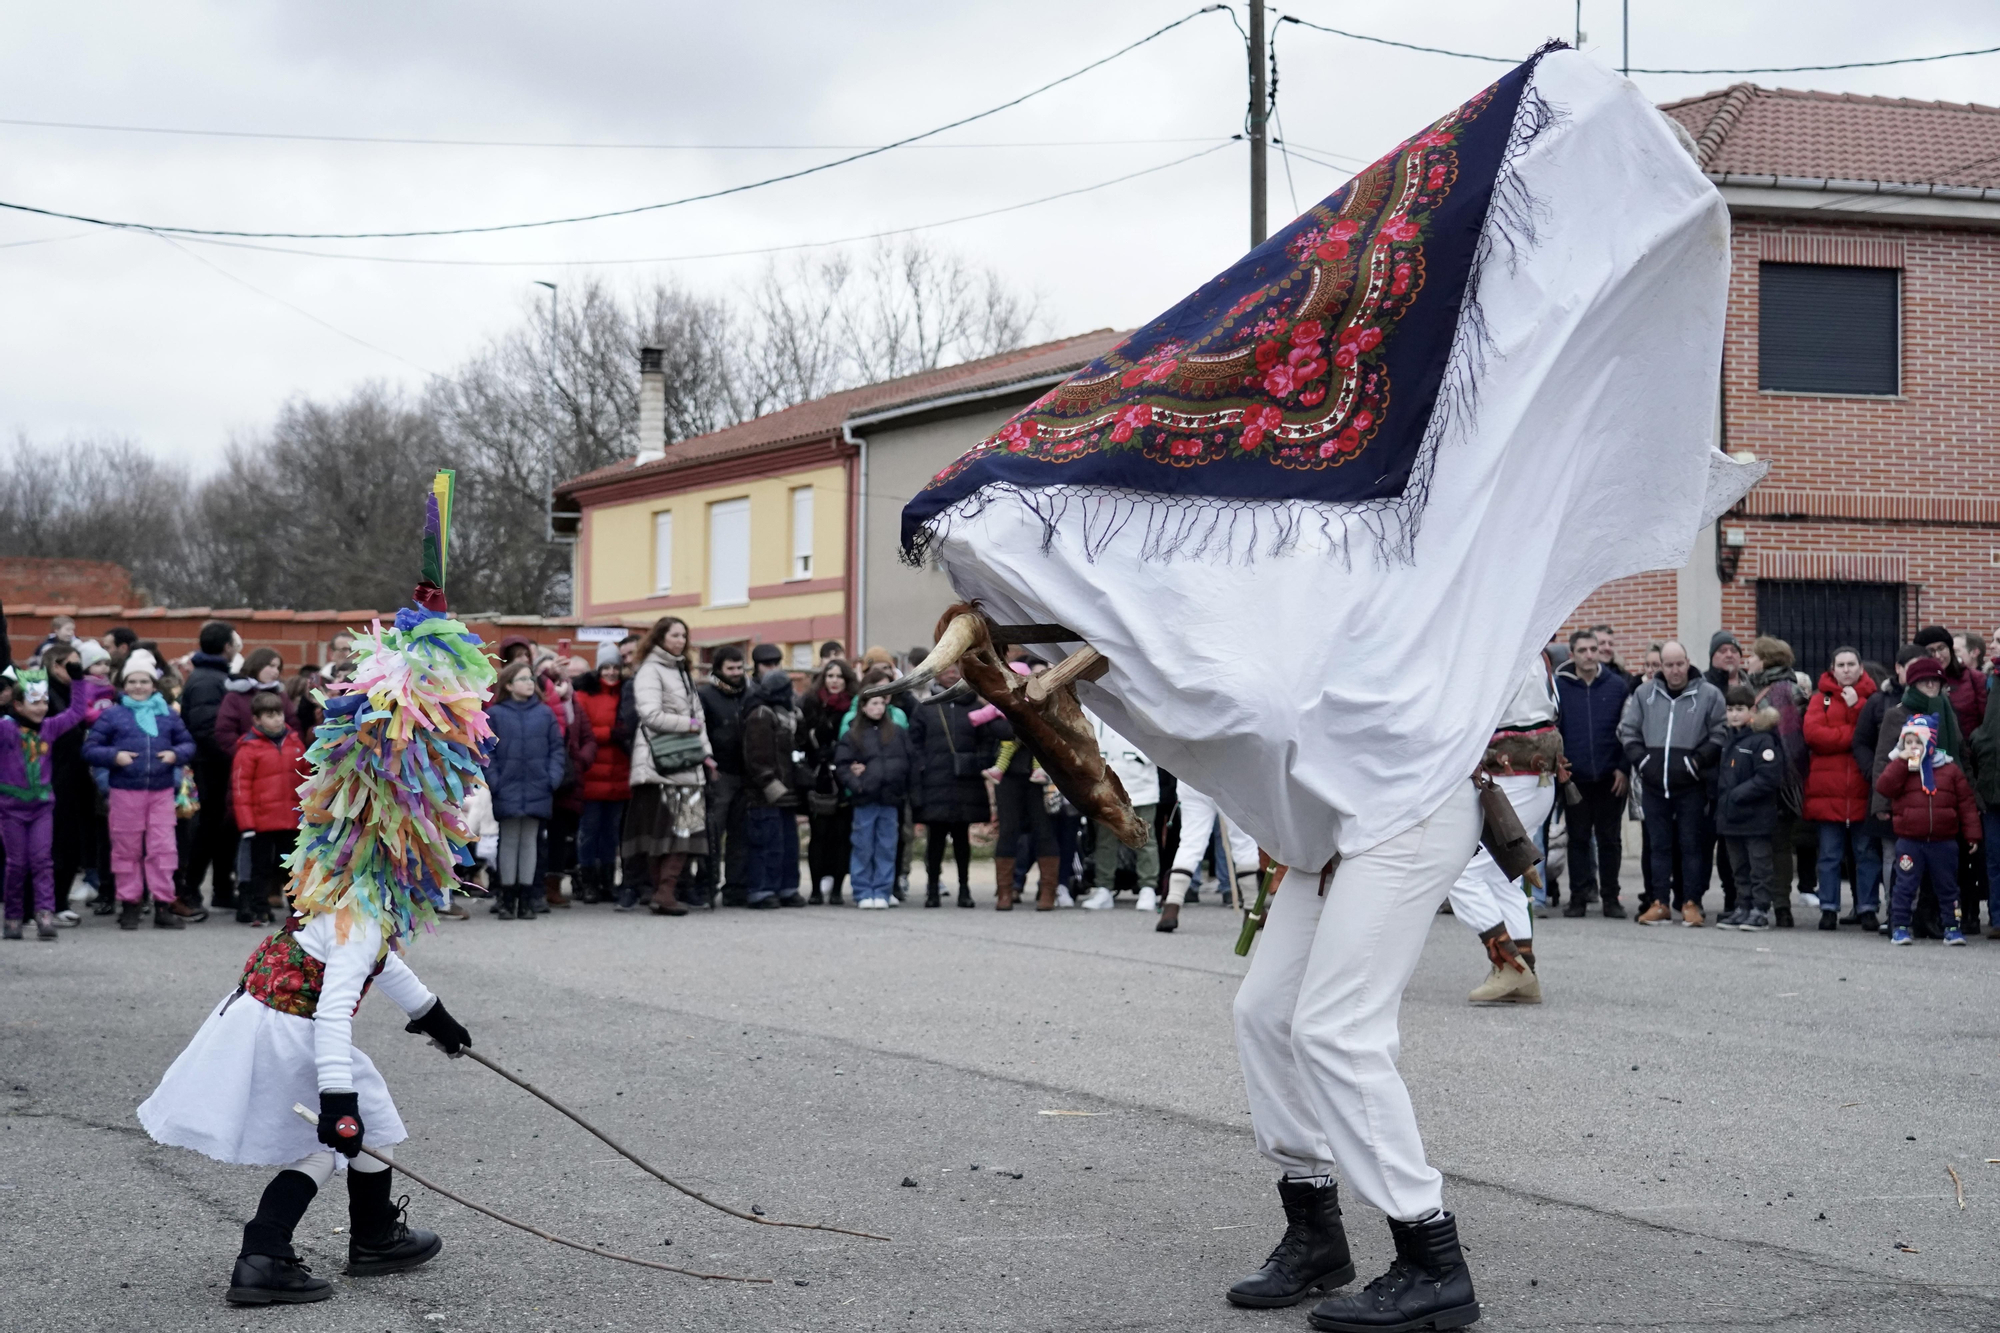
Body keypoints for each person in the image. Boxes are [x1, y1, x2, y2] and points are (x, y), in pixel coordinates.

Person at [137, 583, 482, 1307]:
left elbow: (379, 962)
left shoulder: (352, 888)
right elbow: (334, 1008)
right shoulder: (361, 910)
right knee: (330, 1139)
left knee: (372, 1119)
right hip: (289, 1025)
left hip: (266, 1011)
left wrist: (435, 1017)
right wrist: (336, 1098)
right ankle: (263, 1257)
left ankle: (373, 1234)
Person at [1448, 651, 1563, 1002]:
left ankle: (1509, 967)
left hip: (1517, 779)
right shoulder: (1529, 650)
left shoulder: (1514, 652)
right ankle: (1524, 975)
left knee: (1460, 875)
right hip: (1529, 780)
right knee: (1502, 876)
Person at [83, 649, 197, 930]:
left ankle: (162, 904)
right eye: (132, 681)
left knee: (162, 849)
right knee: (127, 849)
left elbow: (188, 744)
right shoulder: (112, 715)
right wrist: (114, 757)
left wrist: (175, 755)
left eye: (144, 681)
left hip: (160, 792)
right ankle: (130, 904)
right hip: (125, 791)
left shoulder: (168, 715)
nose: (138, 687)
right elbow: (90, 748)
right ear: (123, 685)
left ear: (154, 685)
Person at [1619, 641, 1726, 926]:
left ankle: (1691, 903)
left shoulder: (1709, 694)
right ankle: (1659, 903)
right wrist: (1642, 762)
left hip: (1691, 784)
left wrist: (1696, 762)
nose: (1675, 670)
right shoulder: (1643, 694)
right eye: (1669, 665)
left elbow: (1719, 731)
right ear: (1661, 667)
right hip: (1654, 784)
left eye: (1679, 664)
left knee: (1691, 845)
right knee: (1658, 846)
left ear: (1688, 662)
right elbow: (1628, 731)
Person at [0, 667, 109, 939]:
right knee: (17, 863)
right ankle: (13, 915)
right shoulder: (5, 729)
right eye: (34, 702)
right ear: (17, 704)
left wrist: (78, 682)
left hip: (42, 807)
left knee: (42, 861)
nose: (41, 708)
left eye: (44, 701)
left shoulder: (49, 728)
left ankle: (45, 913)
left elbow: (75, 713)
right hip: (11, 808)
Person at [623, 617, 710, 917]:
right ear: (659, 637)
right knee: (661, 834)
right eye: (675, 635)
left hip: (687, 761)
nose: (681, 640)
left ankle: (665, 891)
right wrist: (688, 724)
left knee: (686, 830)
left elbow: (699, 716)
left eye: (684, 635)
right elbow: (650, 714)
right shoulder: (650, 670)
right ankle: (663, 891)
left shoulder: (682, 670)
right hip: (661, 762)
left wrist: (706, 753)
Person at [1876, 714, 1980, 946]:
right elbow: (1884, 787)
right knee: (1904, 887)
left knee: (1948, 888)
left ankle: (1952, 927)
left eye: (1918, 742)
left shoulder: (1950, 769)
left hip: (1943, 841)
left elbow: (1966, 804)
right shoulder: (1901, 767)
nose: (1913, 747)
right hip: (1910, 840)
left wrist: (1972, 834)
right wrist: (1901, 762)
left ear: (1930, 743)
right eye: (1908, 742)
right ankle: (1900, 927)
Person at [1554, 627, 1631, 918]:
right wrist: (1559, 766)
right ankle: (1578, 898)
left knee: (1610, 841)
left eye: (1593, 649)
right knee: (1578, 839)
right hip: (1574, 779)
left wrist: (1623, 767)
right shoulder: (1559, 687)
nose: (1589, 655)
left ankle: (1611, 898)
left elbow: (1628, 731)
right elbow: (1554, 730)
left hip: (1611, 779)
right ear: (1572, 654)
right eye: (1583, 650)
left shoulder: (1616, 686)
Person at [908, 663, 998, 909]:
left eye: (958, 667)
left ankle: (965, 889)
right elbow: (913, 744)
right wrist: (924, 766)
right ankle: (932, 888)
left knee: (961, 839)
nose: (953, 672)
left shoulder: (977, 707)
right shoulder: (924, 708)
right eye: (947, 668)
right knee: (934, 840)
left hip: (965, 782)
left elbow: (989, 744)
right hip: (934, 783)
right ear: (937, 673)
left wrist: (977, 762)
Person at [1802, 647, 1879, 931]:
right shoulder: (1819, 699)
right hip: (1827, 790)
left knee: (1866, 854)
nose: (1846, 670)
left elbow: (1876, 734)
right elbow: (1814, 735)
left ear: (1861, 667)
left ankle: (1867, 907)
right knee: (1829, 855)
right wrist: (1853, 737)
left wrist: (1857, 706)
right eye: (1841, 665)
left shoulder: (1872, 698)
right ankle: (1829, 908)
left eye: (1851, 664)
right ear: (1832, 669)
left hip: (1861, 788)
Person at [484, 661, 565, 921]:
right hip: (506, 786)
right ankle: (507, 897)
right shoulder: (496, 714)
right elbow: (488, 753)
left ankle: (527, 898)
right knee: (508, 841)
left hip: (537, 785)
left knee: (530, 840)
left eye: (531, 678)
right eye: (522, 679)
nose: (530, 682)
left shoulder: (545, 714)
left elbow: (557, 750)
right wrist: (494, 781)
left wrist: (552, 779)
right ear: (508, 685)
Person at [229, 691, 309, 928]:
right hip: (262, 822)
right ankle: (259, 909)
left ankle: (298, 912)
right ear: (256, 719)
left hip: (292, 819)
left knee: (295, 868)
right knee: (260, 868)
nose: (276, 720)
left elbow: (305, 777)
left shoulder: (295, 743)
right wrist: (247, 824)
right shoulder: (248, 748)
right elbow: (241, 789)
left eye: (279, 714)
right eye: (270, 715)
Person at [180, 620, 243, 914]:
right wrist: (233, 755)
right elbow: (207, 729)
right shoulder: (208, 680)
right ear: (227, 647)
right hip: (211, 767)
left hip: (215, 766)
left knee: (223, 829)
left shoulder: (212, 676)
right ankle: (190, 890)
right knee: (207, 830)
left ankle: (222, 889)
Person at [836, 692, 917, 909]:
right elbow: (842, 766)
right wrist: (857, 785)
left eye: (882, 703)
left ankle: (883, 889)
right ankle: (862, 890)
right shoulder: (853, 734)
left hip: (891, 798)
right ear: (863, 706)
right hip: (865, 798)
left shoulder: (897, 732)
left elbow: (909, 762)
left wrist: (905, 789)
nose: (878, 708)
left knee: (887, 846)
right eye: (873, 703)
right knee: (863, 845)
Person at [1713, 686, 1784, 930]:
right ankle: (1742, 906)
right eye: (1730, 709)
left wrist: (1737, 795)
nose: (1734, 715)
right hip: (1731, 818)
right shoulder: (1728, 739)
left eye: (1740, 709)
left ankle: (1760, 909)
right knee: (1739, 867)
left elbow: (1768, 777)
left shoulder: (1762, 739)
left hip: (1755, 817)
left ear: (1752, 710)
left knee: (1759, 866)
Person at [741, 663, 807, 909]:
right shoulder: (760, 715)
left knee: (788, 844)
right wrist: (770, 784)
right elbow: (756, 757)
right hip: (765, 792)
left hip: (787, 790)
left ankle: (787, 888)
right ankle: (761, 889)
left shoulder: (787, 716)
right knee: (767, 843)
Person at [572, 643, 630, 905]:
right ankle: (588, 882)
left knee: (611, 834)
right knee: (589, 832)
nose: (611, 672)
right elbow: (582, 731)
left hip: (619, 774)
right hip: (593, 774)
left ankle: (607, 881)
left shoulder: (626, 693)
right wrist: (610, 734)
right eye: (606, 667)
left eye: (615, 667)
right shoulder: (585, 694)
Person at [694, 645, 751, 906]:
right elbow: (699, 731)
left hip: (746, 773)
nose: (736, 673)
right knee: (712, 835)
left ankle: (736, 888)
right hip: (718, 773)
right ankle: (707, 886)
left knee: (741, 834)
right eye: (731, 669)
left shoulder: (749, 694)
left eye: (740, 668)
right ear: (719, 669)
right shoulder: (705, 695)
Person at [1088, 711, 1160, 913]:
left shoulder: (1140, 702)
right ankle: (1104, 887)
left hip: (1140, 780)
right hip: (1105, 780)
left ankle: (1148, 887)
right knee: (1105, 838)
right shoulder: (1094, 702)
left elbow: (1157, 734)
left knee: (1145, 837)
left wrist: (1142, 757)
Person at [799, 660, 856, 905]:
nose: (834, 680)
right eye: (830, 675)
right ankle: (814, 889)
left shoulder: (853, 706)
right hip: (819, 776)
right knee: (818, 835)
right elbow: (800, 740)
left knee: (842, 835)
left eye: (839, 676)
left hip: (843, 775)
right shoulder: (811, 704)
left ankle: (836, 890)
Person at [215, 648, 301, 759]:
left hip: (281, 761)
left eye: (278, 668)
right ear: (257, 665)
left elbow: (294, 727)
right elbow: (225, 732)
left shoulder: (281, 696)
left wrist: (287, 752)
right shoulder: (236, 696)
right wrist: (245, 753)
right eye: (271, 666)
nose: (276, 672)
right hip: (248, 762)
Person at [1966, 672, 2000, 938]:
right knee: (1994, 859)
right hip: (1991, 788)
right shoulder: (1990, 681)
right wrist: (1981, 739)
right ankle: (1998, 918)